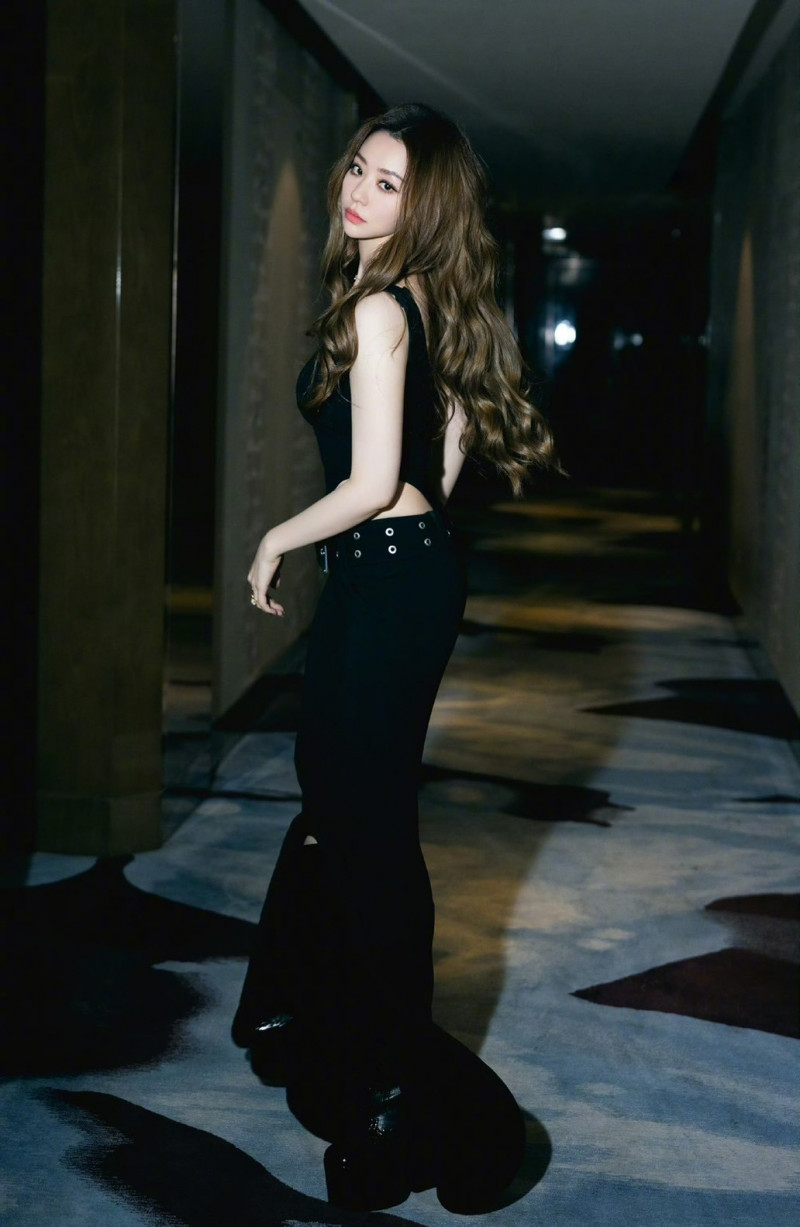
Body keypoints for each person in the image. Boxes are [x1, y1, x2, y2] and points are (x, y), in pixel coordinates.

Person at [233, 103, 557, 1213]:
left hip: (386, 577)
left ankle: (399, 1096)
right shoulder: (416, 296)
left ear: (425, 207)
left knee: (363, 825)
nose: (359, 193)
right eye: (359, 170)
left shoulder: (379, 307)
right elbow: (447, 444)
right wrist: (403, 534)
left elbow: (374, 483)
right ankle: (325, 1024)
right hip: (406, 576)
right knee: (345, 804)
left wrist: (276, 539)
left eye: (388, 184)